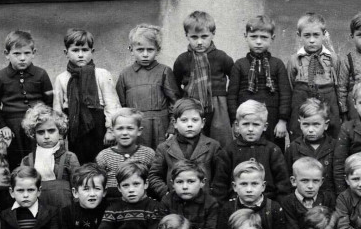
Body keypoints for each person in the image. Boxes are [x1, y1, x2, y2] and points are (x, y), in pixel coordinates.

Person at [53, 28, 121, 164]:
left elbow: (111, 104)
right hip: (75, 125)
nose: (80, 55)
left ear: (92, 52)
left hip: (98, 125)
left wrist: (110, 130)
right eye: (75, 50)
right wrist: (60, 135)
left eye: (84, 50)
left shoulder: (102, 74)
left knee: (100, 160)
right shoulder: (62, 78)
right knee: (78, 162)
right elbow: (57, 109)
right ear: (66, 53)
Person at [0, 30, 54, 168]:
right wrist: (3, 126)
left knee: (38, 158)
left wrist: (44, 122)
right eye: (16, 53)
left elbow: (49, 102)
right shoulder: (1, 77)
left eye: (27, 53)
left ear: (34, 53)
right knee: (15, 160)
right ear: (6, 54)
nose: (22, 58)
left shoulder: (41, 74)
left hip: (36, 124)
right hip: (12, 126)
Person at [228, 15, 291, 151]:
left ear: (272, 38)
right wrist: (235, 121)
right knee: (246, 149)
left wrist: (282, 120)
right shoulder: (239, 64)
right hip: (246, 118)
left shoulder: (277, 64)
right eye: (254, 37)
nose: (258, 42)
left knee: (273, 150)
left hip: (272, 118)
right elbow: (232, 95)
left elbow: (285, 94)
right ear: (246, 36)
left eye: (264, 37)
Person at [173, 11, 235, 148]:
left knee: (220, 138)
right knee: (194, 139)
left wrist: (226, 98)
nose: (200, 42)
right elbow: (175, 84)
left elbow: (235, 79)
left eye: (204, 36)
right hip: (192, 105)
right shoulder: (182, 59)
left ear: (213, 34)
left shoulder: (221, 57)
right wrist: (184, 100)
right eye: (194, 37)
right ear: (187, 36)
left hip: (218, 105)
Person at [115, 24, 181, 149]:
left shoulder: (164, 71)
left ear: (158, 50)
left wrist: (172, 128)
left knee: (160, 158)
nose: (145, 54)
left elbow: (175, 103)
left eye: (150, 50)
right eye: (140, 50)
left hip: (160, 127)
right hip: (135, 126)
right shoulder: (125, 74)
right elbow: (121, 106)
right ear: (131, 50)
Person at [148, 97, 225, 199]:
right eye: (184, 120)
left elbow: (220, 177)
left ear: (202, 123)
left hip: (204, 203)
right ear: (175, 123)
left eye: (194, 120)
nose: (189, 124)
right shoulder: (164, 148)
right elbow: (154, 175)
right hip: (175, 202)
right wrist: (166, 194)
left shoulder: (213, 146)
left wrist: (211, 198)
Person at [212, 100, 290, 201]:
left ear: (265, 126)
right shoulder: (228, 151)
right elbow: (220, 186)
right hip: (236, 205)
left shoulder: (273, 150)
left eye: (256, 124)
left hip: (267, 204)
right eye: (245, 124)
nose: (250, 129)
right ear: (237, 126)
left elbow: (283, 185)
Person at [215, 160, 288, 229]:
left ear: (263, 186)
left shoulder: (273, 207)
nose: (249, 189)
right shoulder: (229, 208)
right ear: (235, 187)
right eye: (244, 184)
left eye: (254, 184)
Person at [287, 12, 343, 139]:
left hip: (328, 101)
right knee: (299, 134)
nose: (312, 40)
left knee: (331, 135)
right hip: (301, 100)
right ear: (299, 35)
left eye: (316, 35)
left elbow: (338, 84)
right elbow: (290, 86)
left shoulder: (333, 58)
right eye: (307, 35)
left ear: (324, 34)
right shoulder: (294, 60)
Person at [20, 103, 80, 209]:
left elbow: (78, 186)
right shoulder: (27, 161)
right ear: (34, 134)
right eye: (41, 132)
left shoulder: (70, 158)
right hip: (39, 213)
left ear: (60, 131)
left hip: (65, 211)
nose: (46, 136)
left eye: (51, 131)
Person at [95, 108, 156, 201]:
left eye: (130, 128)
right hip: (112, 204)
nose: (124, 133)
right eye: (120, 128)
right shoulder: (104, 156)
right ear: (112, 131)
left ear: (139, 131)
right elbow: (98, 183)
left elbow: (153, 180)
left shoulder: (148, 154)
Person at [161, 160, 219, 229]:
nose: (185, 187)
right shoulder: (167, 201)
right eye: (179, 182)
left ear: (202, 182)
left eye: (191, 181)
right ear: (172, 184)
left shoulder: (211, 204)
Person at [280, 157, 336, 229]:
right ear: (294, 181)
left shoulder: (328, 198)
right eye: (305, 181)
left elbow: (331, 228)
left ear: (321, 182)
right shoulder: (288, 202)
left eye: (315, 181)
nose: (310, 186)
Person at [285, 98, 337, 194]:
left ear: (326, 125)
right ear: (300, 124)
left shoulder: (334, 146)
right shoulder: (293, 148)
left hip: (328, 198)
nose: (310, 130)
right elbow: (287, 178)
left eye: (316, 124)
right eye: (306, 124)